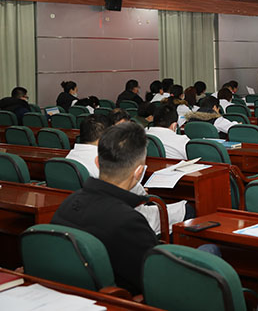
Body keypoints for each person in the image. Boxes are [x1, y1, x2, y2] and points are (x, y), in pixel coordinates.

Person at [52, 123, 158, 294]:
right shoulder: (130, 222)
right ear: (138, 172)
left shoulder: (68, 202)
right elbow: (155, 280)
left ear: (97, 162)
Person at [66, 115, 188, 236]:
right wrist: (140, 190)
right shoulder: (108, 158)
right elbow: (137, 194)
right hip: (121, 218)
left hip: (84, 216)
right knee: (186, 209)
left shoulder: (70, 157)